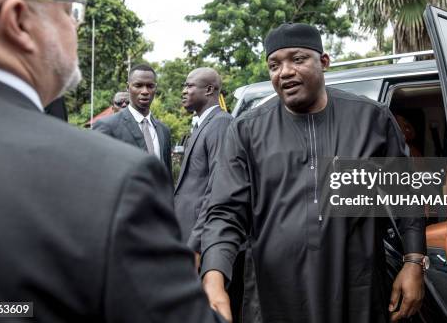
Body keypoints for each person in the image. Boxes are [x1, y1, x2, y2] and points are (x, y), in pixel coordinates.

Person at [0, 0, 221, 322]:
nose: (75, 28)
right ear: (18, 21)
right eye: (68, 11)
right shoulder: (107, 179)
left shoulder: (161, 135)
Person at [200, 23, 426, 323]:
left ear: (324, 61)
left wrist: (413, 262)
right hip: (275, 295)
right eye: (274, 64)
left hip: (356, 290)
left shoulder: (372, 119)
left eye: (297, 59)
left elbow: (405, 197)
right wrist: (214, 279)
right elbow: (225, 212)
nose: (285, 71)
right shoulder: (246, 130)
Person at [175, 67, 232, 250]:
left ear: (208, 90)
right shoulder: (202, 125)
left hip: (201, 240)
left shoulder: (221, 123)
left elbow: (218, 187)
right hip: (186, 231)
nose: (184, 91)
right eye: (184, 86)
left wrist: (196, 243)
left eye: (189, 86)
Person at [93, 64, 173, 179]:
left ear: (155, 88)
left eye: (150, 86)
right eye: (138, 85)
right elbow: (96, 173)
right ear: (128, 87)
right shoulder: (107, 126)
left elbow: (167, 175)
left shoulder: (163, 130)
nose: (145, 91)